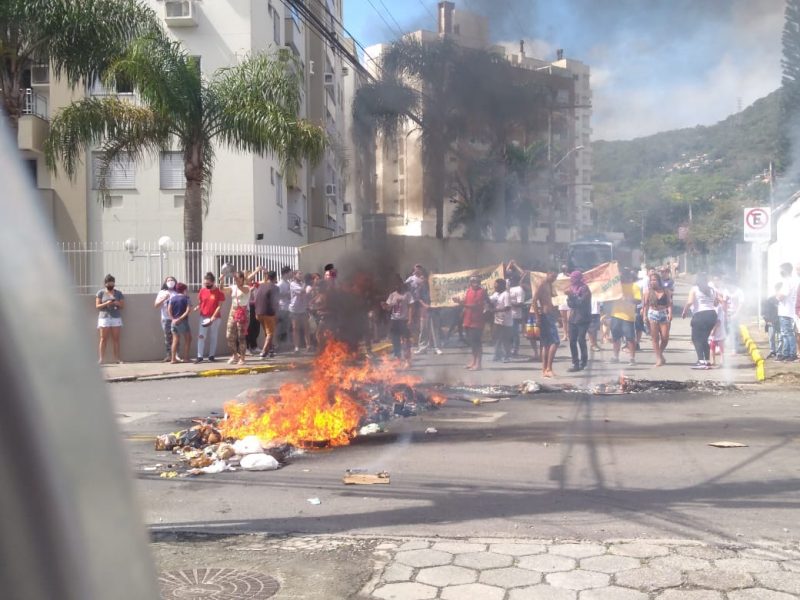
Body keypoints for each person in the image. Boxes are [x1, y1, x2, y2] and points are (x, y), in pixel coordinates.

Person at [681, 272, 719, 369]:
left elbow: (690, 302)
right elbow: (715, 303)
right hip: (712, 315)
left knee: (696, 339)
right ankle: (707, 361)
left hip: (700, 315)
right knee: (704, 339)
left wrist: (684, 311)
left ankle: (701, 361)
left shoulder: (694, 289)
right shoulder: (712, 290)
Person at [220, 269, 256, 365]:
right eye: (235, 278)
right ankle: (235, 355)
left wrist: (241, 280)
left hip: (243, 313)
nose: (235, 280)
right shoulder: (233, 287)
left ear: (242, 278)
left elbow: (242, 289)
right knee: (229, 336)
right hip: (233, 312)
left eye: (237, 278)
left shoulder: (247, 288)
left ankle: (242, 358)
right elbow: (222, 290)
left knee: (241, 337)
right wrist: (221, 281)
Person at [454, 276, 489, 371]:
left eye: (477, 281)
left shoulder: (481, 292)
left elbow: (475, 305)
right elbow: (466, 303)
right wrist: (458, 301)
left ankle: (479, 364)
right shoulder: (468, 291)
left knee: (477, 343)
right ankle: (473, 361)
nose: (475, 283)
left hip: (477, 321)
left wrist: (462, 304)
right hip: (467, 320)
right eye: (473, 281)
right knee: (472, 343)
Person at [606, 268, 637, 366]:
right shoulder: (616, 287)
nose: (622, 277)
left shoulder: (634, 286)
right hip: (615, 315)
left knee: (630, 338)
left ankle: (632, 358)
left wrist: (628, 298)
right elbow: (607, 294)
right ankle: (616, 356)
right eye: (620, 275)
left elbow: (639, 301)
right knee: (616, 337)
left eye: (623, 275)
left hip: (628, 317)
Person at [642, 272, 673, 367]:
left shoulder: (666, 290)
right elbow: (645, 305)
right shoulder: (647, 291)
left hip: (663, 313)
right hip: (653, 314)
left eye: (654, 280)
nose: (653, 282)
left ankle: (659, 353)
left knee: (665, 337)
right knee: (655, 338)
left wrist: (670, 313)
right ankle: (659, 358)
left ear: (659, 281)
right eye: (651, 280)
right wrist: (644, 316)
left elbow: (669, 303)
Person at [533, 270, 560, 377]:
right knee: (555, 342)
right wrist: (537, 317)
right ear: (548, 274)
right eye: (553, 276)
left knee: (546, 344)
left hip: (549, 315)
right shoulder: (542, 284)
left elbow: (550, 301)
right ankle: (548, 368)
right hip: (545, 316)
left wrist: (557, 317)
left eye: (555, 277)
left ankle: (545, 370)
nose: (554, 279)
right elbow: (534, 301)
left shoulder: (549, 285)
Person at [382, 275, 412, 364]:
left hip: (404, 320)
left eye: (398, 283)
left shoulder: (407, 294)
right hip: (394, 321)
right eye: (395, 284)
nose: (397, 286)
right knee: (395, 341)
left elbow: (411, 307)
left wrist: (410, 319)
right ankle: (398, 358)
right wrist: (384, 306)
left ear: (401, 283)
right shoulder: (392, 295)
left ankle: (407, 359)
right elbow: (388, 308)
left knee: (406, 341)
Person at [565, 270, 592, 372]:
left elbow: (581, 302)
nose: (572, 280)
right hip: (573, 318)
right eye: (571, 278)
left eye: (574, 278)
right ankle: (575, 363)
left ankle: (583, 362)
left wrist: (572, 296)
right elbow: (570, 304)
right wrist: (569, 297)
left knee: (581, 340)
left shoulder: (585, 288)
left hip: (583, 318)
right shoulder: (571, 288)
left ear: (578, 278)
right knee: (572, 341)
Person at [195, 272, 225, 363]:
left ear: (213, 282)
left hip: (215, 318)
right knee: (201, 336)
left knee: (213, 336)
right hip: (203, 317)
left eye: (208, 283)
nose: (206, 285)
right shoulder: (202, 291)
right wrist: (198, 307)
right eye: (205, 283)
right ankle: (199, 356)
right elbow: (201, 302)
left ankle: (211, 355)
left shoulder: (219, 292)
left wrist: (213, 317)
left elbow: (219, 306)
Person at [96, 274, 124, 364]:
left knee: (116, 339)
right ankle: (101, 359)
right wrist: (107, 303)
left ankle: (117, 359)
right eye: (109, 282)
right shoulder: (100, 293)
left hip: (116, 317)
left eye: (112, 282)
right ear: (105, 284)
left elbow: (122, 306)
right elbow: (97, 306)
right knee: (103, 338)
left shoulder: (118, 293)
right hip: (104, 317)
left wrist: (116, 302)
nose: (111, 284)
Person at [776, 262, 799, 362]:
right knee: (785, 333)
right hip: (788, 310)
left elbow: (781, 296)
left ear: (784, 270)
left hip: (786, 311)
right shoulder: (793, 281)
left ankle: (792, 353)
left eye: (781, 270)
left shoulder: (787, 282)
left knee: (788, 333)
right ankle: (786, 353)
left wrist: (777, 295)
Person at [255, 270, 279, 358]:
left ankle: (270, 349)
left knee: (267, 331)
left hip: (258, 313)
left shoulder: (261, 286)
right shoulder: (275, 288)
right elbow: (275, 301)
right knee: (270, 333)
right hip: (268, 313)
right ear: (275, 278)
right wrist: (276, 313)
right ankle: (264, 351)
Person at [154, 275, 178, 362]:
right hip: (166, 318)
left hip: (176, 318)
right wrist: (164, 298)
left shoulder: (177, 292)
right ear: (165, 282)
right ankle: (169, 355)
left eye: (172, 280)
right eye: (168, 280)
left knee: (176, 337)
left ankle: (175, 355)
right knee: (168, 338)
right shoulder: (162, 292)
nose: (170, 281)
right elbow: (156, 305)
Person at [167, 282, 192, 364]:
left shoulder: (172, 298)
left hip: (174, 322)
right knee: (188, 339)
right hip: (183, 321)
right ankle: (186, 358)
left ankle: (173, 359)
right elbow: (188, 310)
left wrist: (173, 319)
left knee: (175, 340)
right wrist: (180, 319)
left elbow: (169, 310)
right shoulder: (186, 298)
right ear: (184, 290)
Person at [490, 278, 513, 362]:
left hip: (506, 321)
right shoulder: (496, 294)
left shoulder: (506, 294)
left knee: (505, 339)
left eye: (497, 286)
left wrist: (496, 310)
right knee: (496, 338)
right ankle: (497, 355)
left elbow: (507, 308)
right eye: (494, 286)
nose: (495, 287)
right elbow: (490, 300)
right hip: (497, 320)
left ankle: (507, 356)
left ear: (502, 286)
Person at [289, 270, 311, 353]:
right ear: (295, 275)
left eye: (302, 274)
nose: (301, 275)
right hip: (295, 309)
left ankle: (308, 345)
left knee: (306, 327)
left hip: (303, 309)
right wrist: (306, 284)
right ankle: (296, 347)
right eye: (299, 274)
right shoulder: (292, 284)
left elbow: (308, 293)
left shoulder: (303, 284)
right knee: (295, 328)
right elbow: (302, 291)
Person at [508, 271, 526, 357]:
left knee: (514, 334)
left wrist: (509, 304)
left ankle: (515, 350)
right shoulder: (508, 289)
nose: (510, 280)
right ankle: (509, 349)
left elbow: (520, 304)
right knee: (509, 334)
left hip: (515, 315)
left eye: (511, 279)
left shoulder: (519, 290)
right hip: (507, 315)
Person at [277, 266, 293, 351]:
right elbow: (277, 296)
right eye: (290, 272)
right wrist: (286, 294)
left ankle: (285, 345)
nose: (291, 274)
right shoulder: (280, 284)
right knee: (282, 328)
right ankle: (280, 346)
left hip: (288, 308)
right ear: (285, 273)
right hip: (282, 308)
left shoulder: (288, 283)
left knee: (287, 327)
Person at [764, 284, 781, 359]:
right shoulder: (770, 300)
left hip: (780, 320)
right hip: (772, 321)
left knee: (780, 337)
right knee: (771, 337)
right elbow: (766, 311)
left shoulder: (783, 299)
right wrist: (767, 320)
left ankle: (779, 352)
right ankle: (772, 351)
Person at [245, 277, 261, 355]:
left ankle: (254, 346)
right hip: (248, 308)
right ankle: (246, 347)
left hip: (256, 307)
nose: (251, 279)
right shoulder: (244, 287)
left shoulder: (255, 285)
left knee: (256, 327)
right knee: (248, 328)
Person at [709, 301, 727, 367]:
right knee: (712, 346)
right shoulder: (710, 306)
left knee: (721, 346)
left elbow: (719, 321)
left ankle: (722, 361)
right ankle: (713, 361)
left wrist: (714, 330)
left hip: (719, 330)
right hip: (712, 329)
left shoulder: (719, 308)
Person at [556, 264, 571, 341]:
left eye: (565, 268)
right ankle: (565, 335)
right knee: (564, 320)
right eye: (563, 268)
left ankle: (569, 334)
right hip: (561, 300)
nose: (564, 269)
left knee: (569, 319)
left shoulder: (570, 277)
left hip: (568, 299)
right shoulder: (558, 277)